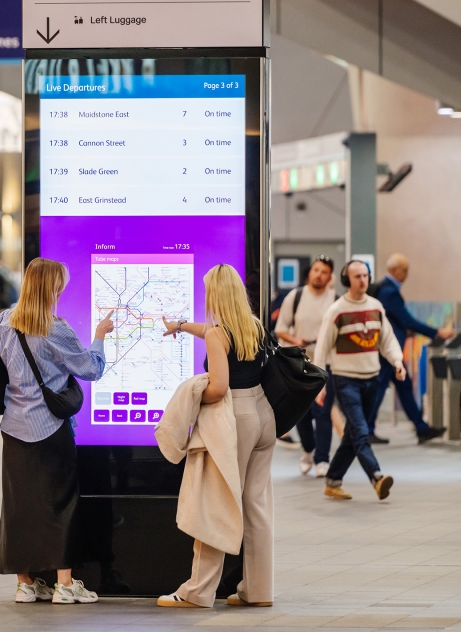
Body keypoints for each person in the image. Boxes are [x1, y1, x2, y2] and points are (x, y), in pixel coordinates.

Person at [0, 257, 112, 605]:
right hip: (50, 426)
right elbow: (91, 369)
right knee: (61, 502)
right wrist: (99, 337)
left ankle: (26, 584)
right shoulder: (54, 326)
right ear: (53, 287)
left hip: (13, 425)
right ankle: (64, 583)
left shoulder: (4, 320)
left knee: (19, 505)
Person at [157, 263, 276, 608]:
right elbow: (214, 332)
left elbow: (219, 387)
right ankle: (258, 591)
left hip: (234, 420)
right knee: (255, 505)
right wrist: (180, 326)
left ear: (216, 294)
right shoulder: (253, 326)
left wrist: (192, 396)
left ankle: (197, 592)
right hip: (262, 416)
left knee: (214, 503)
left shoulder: (216, 335)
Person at [313, 260, 405, 501]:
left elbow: (387, 340)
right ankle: (376, 477)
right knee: (361, 430)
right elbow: (322, 348)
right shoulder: (337, 311)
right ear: (347, 280)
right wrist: (320, 384)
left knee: (353, 432)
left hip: (371, 379)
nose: (363, 281)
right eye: (357, 277)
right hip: (345, 380)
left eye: (366, 276)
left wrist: (397, 361)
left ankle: (333, 480)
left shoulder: (376, 307)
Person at [369, 253, 453, 444]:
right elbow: (406, 319)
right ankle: (367, 429)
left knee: (404, 385)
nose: (406, 273)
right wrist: (436, 331)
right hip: (388, 351)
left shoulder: (385, 290)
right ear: (393, 270)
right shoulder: (389, 292)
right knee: (380, 387)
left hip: (389, 348)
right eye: (404, 269)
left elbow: (394, 320)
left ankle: (421, 428)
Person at [275, 255, 337, 477]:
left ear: (330, 277)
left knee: (323, 411)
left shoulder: (335, 300)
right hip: (299, 363)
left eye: (324, 272)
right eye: (316, 270)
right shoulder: (296, 296)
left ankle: (322, 459)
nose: (319, 275)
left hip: (325, 363)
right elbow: (280, 329)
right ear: (310, 272)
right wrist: (296, 341)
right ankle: (308, 449)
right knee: (301, 412)